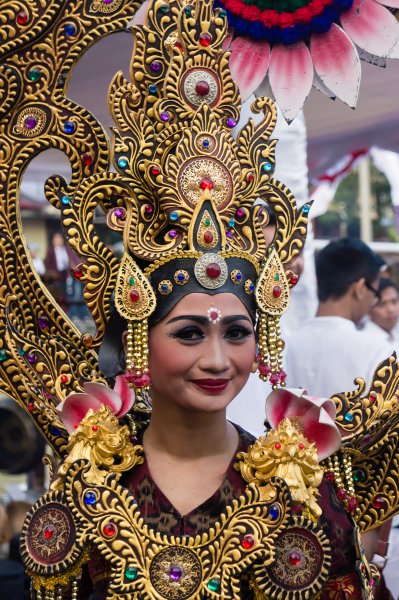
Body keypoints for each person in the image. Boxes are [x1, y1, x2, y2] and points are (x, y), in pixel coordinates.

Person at [2, 1, 399, 599]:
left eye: (236, 333)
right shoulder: (86, 486)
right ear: (138, 333)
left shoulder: (303, 487)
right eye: (189, 333)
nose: (218, 360)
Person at [284, 238, 392, 397]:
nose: (372, 302)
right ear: (360, 288)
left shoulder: (285, 347)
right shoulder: (378, 353)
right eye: (375, 294)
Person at [362, 279, 399, 345]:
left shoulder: (395, 332)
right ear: (368, 310)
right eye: (381, 305)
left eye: (394, 302)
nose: (391, 310)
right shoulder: (366, 341)